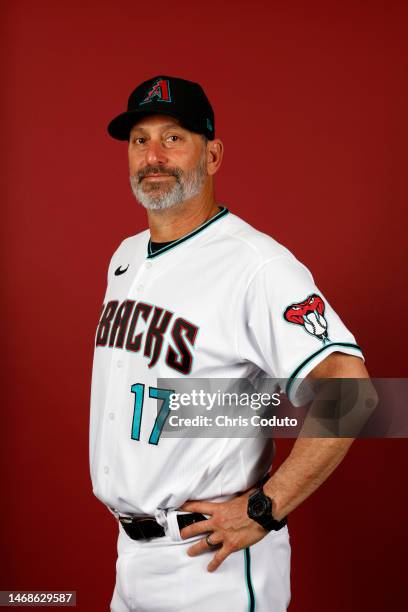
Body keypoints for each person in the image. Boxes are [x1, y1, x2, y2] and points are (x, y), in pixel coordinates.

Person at [89, 75, 369, 612]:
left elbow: (351, 394)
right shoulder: (125, 257)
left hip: (210, 563)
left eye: (174, 138)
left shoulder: (256, 265)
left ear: (212, 155)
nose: (153, 155)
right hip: (130, 556)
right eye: (139, 140)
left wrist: (267, 507)